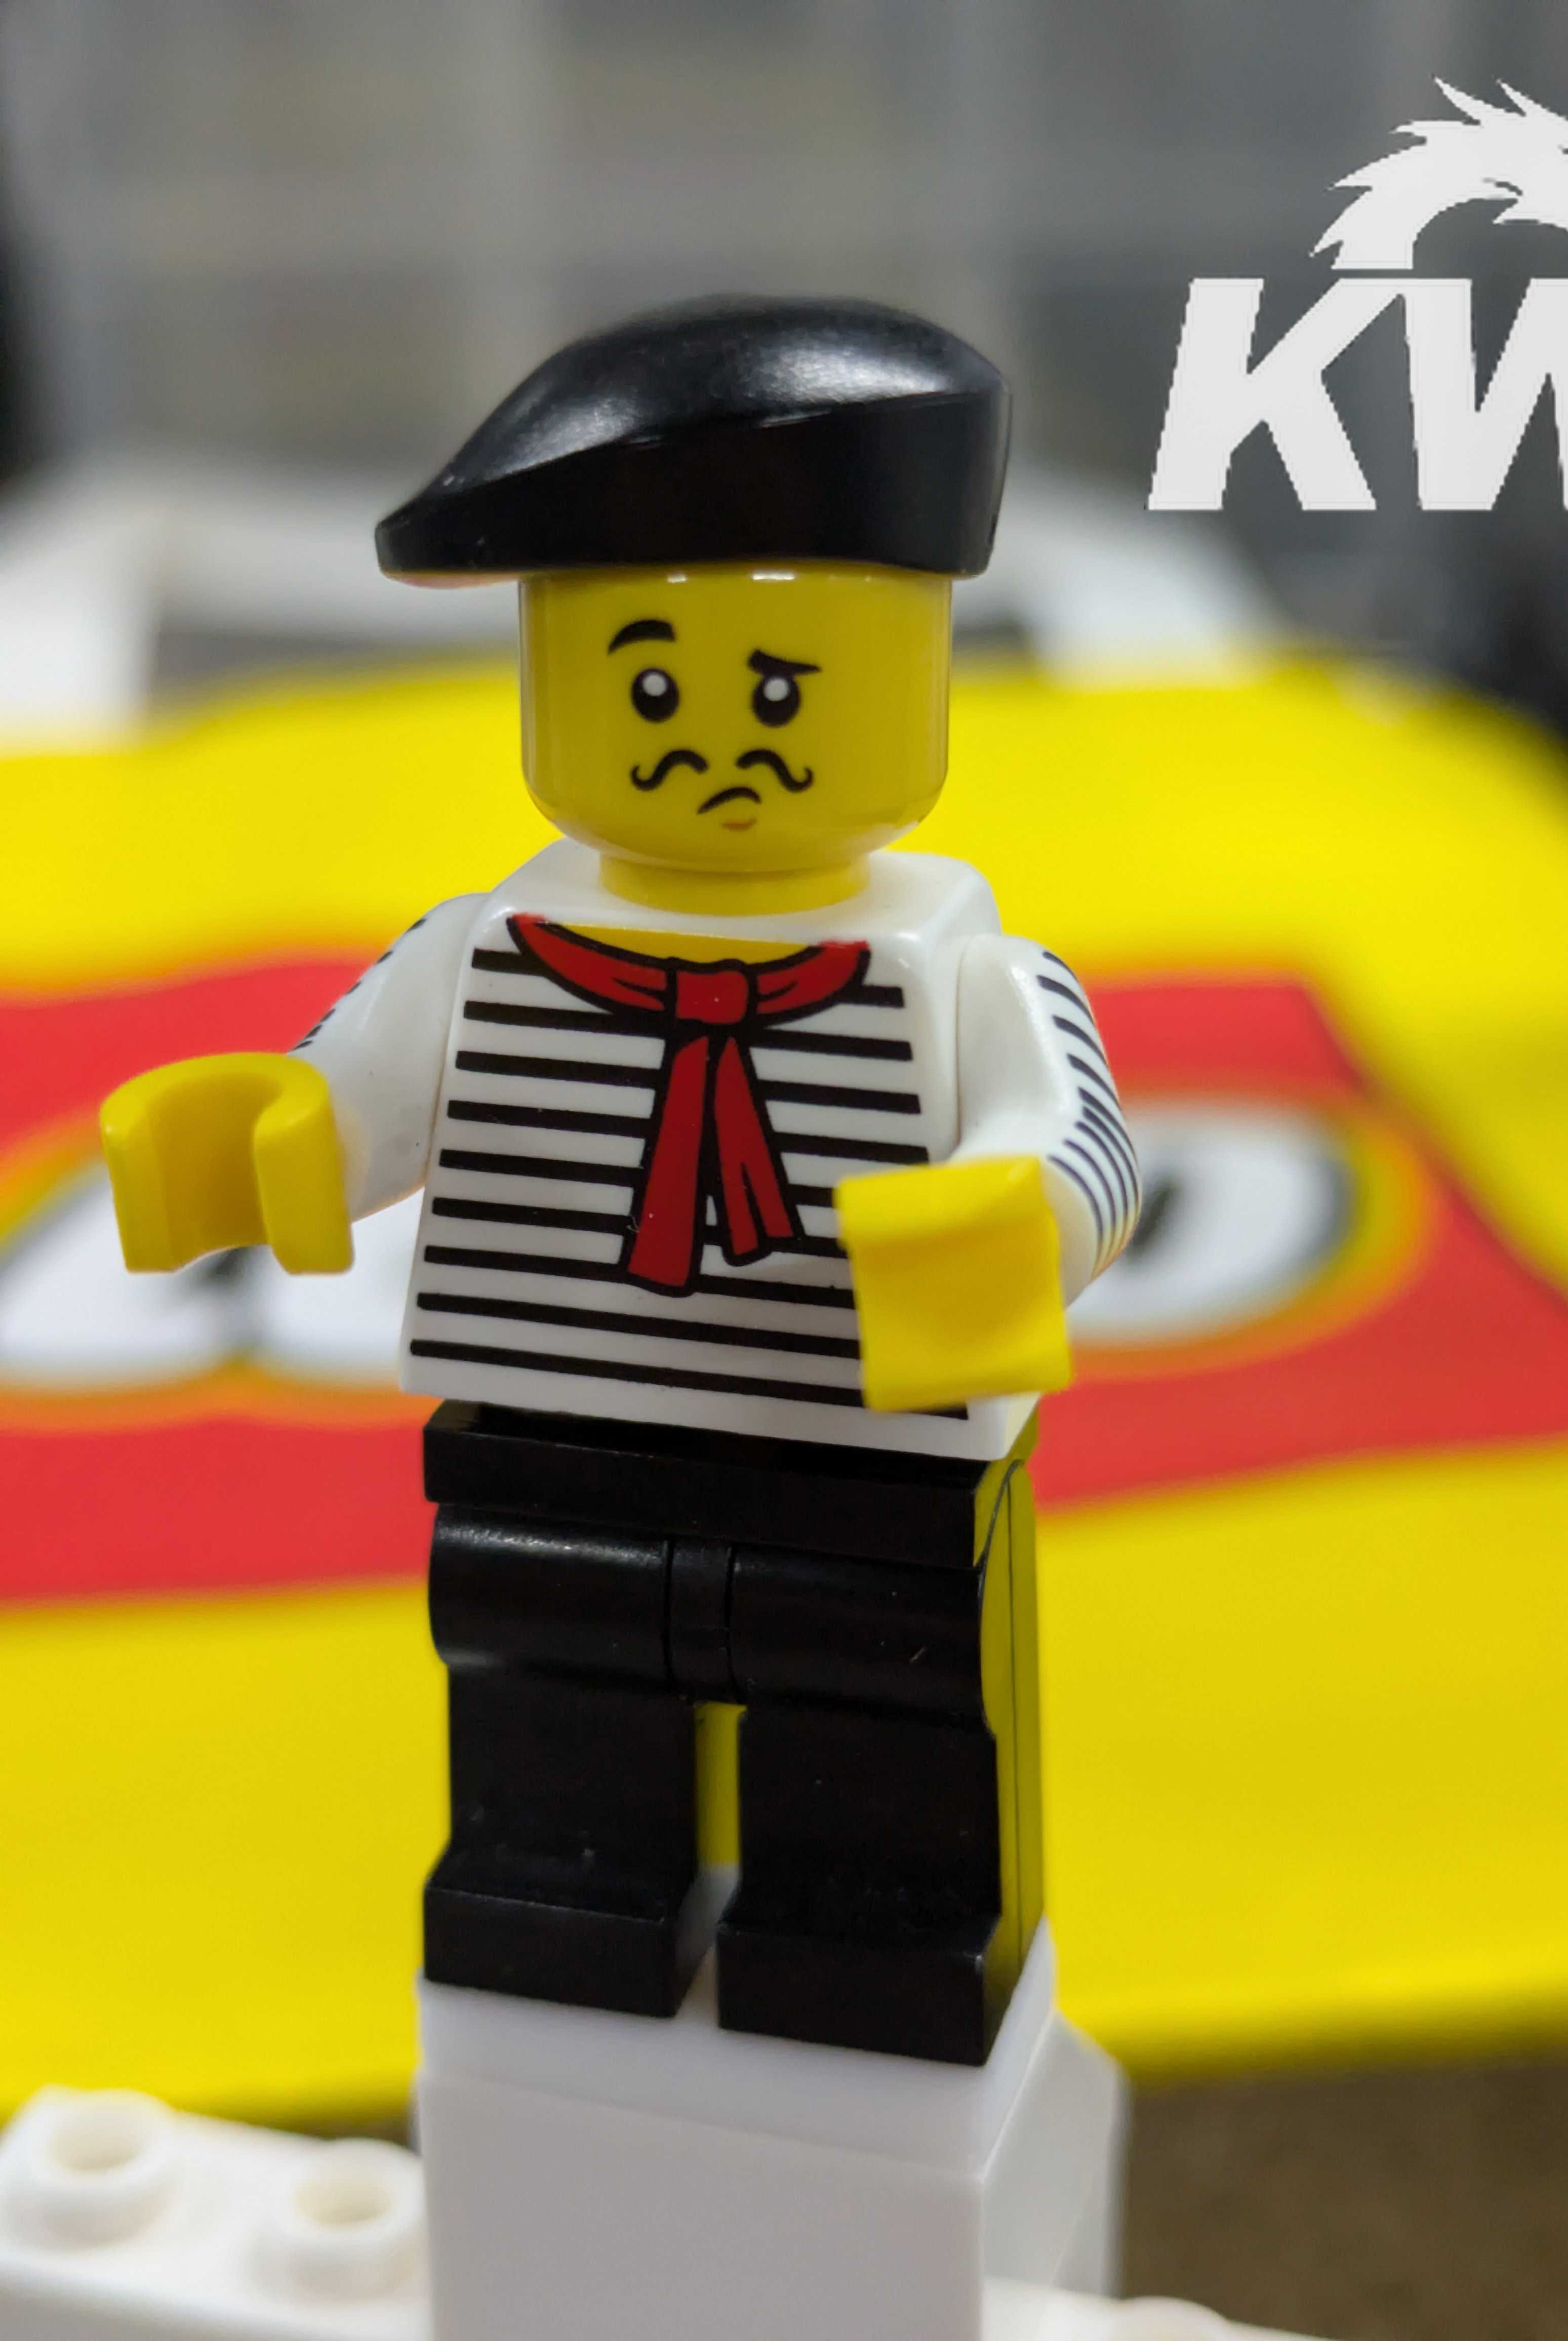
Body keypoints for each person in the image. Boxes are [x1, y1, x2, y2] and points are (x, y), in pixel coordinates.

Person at [101, 296, 1140, 2065]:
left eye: (782, 688)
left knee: (873, 1711)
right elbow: (351, 1100)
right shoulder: (484, 950)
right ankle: (560, 1891)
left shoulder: (964, 968)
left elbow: (1083, 1140)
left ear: (912, 676)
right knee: (550, 1681)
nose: (716, 743)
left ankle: (874, 1931)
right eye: (649, 687)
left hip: (864, 1454)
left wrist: (1008, 1219)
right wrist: (269, 1137)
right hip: (549, 1432)